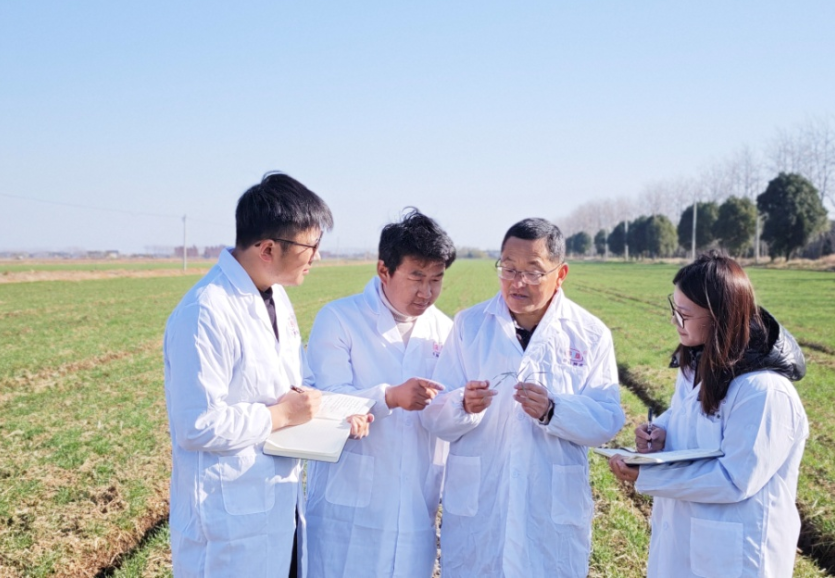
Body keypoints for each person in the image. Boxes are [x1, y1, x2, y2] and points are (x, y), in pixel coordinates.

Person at [162, 172, 371, 578]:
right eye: (311, 246)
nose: (317, 257)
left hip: (278, 508)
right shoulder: (205, 312)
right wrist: (280, 415)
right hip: (227, 525)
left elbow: (295, 386)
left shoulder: (276, 296)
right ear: (269, 248)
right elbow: (196, 424)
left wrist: (334, 418)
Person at [422, 218, 625, 578]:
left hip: (550, 517)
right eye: (508, 268)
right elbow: (434, 415)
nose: (517, 282)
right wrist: (462, 405)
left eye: (532, 272)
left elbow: (607, 420)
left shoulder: (590, 334)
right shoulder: (470, 325)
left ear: (560, 274)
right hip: (480, 511)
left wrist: (554, 410)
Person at [608, 251, 808, 578]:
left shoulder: (764, 391)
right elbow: (685, 417)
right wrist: (659, 433)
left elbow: (735, 480)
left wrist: (649, 476)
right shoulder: (697, 366)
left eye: (684, 314)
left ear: (719, 317)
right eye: (674, 310)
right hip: (685, 542)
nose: (675, 321)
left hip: (737, 557)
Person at [304, 208, 457, 577]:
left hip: (415, 506)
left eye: (436, 279)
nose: (426, 292)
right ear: (384, 270)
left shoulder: (446, 330)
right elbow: (324, 400)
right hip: (347, 510)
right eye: (416, 277)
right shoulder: (339, 319)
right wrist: (389, 398)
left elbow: (450, 412)